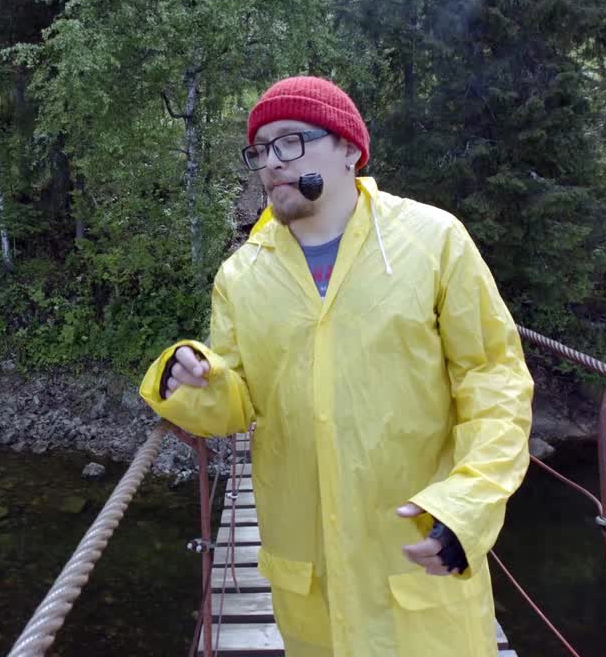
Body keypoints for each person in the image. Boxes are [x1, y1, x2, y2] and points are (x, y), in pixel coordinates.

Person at [138, 76, 533, 656]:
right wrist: (189, 377)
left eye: (292, 142)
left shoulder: (432, 241)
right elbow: (234, 403)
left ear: (349, 149)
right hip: (309, 581)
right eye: (261, 149)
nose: (272, 162)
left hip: (413, 556)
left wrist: (467, 505)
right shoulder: (242, 275)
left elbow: (494, 382)